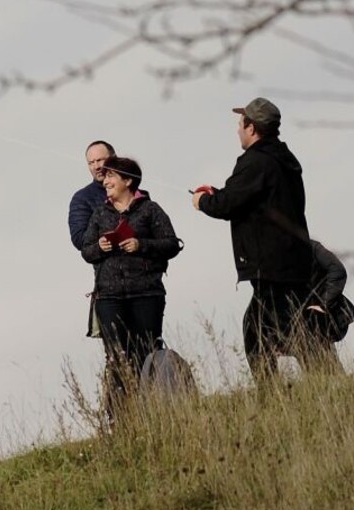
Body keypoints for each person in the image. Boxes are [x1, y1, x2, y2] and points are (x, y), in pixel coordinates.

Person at [190, 97, 316, 384]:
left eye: (240, 123)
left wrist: (203, 201)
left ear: (252, 127)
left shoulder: (255, 161)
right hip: (293, 261)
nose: (237, 130)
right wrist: (218, 194)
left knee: (259, 334)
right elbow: (248, 198)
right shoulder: (283, 159)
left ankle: (274, 396)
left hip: (271, 265)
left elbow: (227, 205)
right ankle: (320, 383)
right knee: (289, 328)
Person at [81, 156, 182, 416]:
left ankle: (156, 411)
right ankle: (120, 419)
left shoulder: (150, 210)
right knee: (117, 358)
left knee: (146, 352)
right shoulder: (100, 213)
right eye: (105, 177)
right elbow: (86, 250)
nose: (106, 181)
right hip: (109, 297)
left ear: (128, 180)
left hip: (146, 293)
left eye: (111, 176)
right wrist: (100, 248)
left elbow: (171, 244)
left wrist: (141, 245)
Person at [303, 239, 354, 350]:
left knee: (321, 355)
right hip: (292, 322)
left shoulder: (312, 247)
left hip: (315, 320)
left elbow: (337, 271)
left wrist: (323, 303)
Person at [69, 140, 115, 249]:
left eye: (99, 160)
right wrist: (107, 238)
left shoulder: (135, 192)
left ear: (114, 158)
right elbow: (79, 239)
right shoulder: (82, 198)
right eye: (91, 163)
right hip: (107, 261)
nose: (96, 167)